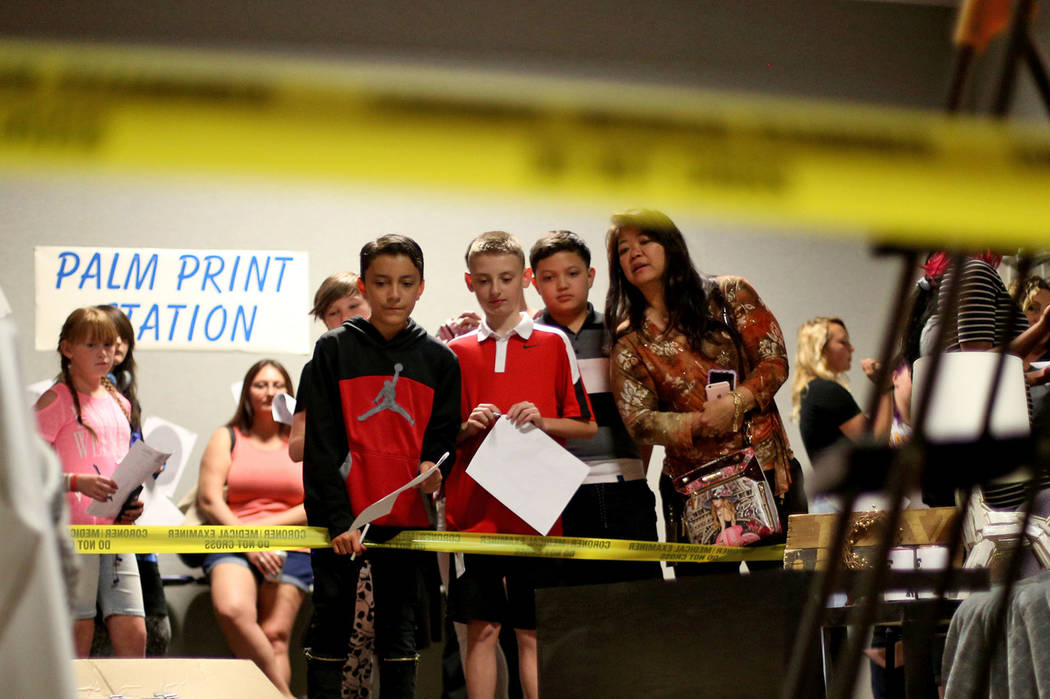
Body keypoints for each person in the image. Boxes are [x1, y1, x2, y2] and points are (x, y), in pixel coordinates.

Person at [302, 234, 461, 699]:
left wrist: (434, 470)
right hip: (342, 521)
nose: (394, 294)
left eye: (406, 283)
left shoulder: (440, 360)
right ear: (363, 286)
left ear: (421, 287)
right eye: (382, 282)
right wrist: (336, 521)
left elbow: (442, 437)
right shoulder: (333, 351)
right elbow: (322, 447)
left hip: (405, 518)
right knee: (331, 625)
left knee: (400, 635)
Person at [605, 209, 805, 574]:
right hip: (692, 490)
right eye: (623, 249)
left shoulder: (728, 293)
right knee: (708, 614)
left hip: (766, 470)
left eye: (645, 241)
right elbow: (639, 421)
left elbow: (774, 362)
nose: (634, 253)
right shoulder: (630, 337)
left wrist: (734, 403)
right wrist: (697, 423)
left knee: (788, 602)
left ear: (670, 244)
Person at [445, 230, 596, 699]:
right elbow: (439, 440)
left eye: (506, 278)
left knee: (531, 630)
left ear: (525, 279)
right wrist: (467, 428)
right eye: (485, 280)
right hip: (474, 514)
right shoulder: (456, 352)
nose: (496, 290)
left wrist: (542, 419)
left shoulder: (553, 343)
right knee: (482, 630)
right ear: (469, 282)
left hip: (537, 509)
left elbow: (585, 425)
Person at [529, 229, 661, 585]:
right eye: (549, 277)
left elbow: (642, 416)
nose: (562, 285)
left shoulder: (623, 333)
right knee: (566, 613)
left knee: (639, 607)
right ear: (534, 282)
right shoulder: (526, 339)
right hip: (554, 495)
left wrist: (632, 469)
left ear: (590, 277)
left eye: (572, 274)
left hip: (624, 488)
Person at [34, 306, 146, 658]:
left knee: (134, 629)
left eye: (110, 345)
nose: (104, 354)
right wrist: (73, 482)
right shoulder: (55, 400)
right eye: (92, 345)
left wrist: (129, 502)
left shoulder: (120, 401)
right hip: (70, 534)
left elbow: (118, 466)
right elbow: (22, 471)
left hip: (114, 532)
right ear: (67, 349)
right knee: (77, 631)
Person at [196, 359, 310, 698]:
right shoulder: (227, 437)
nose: (270, 392)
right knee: (233, 611)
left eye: (278, 385)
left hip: (292, 544)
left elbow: (314, 504)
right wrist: (248, 540)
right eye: (261, 385)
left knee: (275, 635)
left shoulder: (304, 441)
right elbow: (209, 500)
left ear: (290, 394)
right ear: (247, 393)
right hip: (234, 540)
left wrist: (261, 531)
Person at [288, 273, 376, 697]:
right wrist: (339, 431)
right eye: (332, 313)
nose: (343, 319)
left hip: (388, 510)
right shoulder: (316, 367)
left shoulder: (402, 359)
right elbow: (296, 447)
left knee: (391, 637)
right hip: (336, 510)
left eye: (353, 308)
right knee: (335, 629)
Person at [89, 304, 171, 657]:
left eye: (121, 337)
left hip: (131, 527)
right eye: (104, 339)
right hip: (89, 527)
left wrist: (146, 463)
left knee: (153, 634)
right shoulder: (66, 396)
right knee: (89, 638)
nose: (114, 346)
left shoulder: (126, 398)